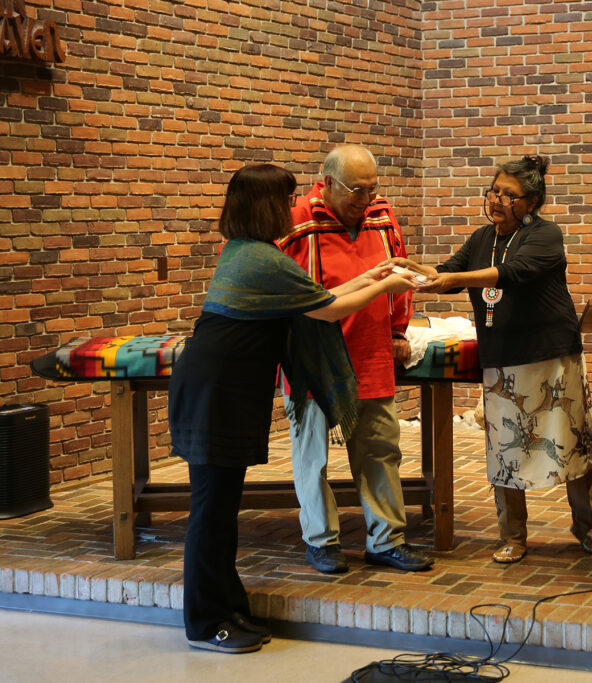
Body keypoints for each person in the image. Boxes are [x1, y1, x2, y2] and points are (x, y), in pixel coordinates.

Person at [168, 163, 416, 654]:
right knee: (211, 513)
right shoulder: (260, 259)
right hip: (216, 391)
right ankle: (205, 622)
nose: (290, 209)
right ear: (265, 207)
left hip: (225, 388)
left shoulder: (253, 253)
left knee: (221, 510)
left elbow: (316, 298)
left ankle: (229, 607)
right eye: (284, 201)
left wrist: (374, 274)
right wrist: (387, 287)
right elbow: (326, 309)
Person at [385, 155, 592, 564]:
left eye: (509, 194)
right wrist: (414, 269)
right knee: (506, 449)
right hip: (502, 358)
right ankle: (513, 536)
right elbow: (446, 272)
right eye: (495, 190)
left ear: (531, 201)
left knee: (572, 443)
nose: (497, 199)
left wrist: (455, 278)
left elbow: (512, 273)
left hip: (551, 355)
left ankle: (586, 527)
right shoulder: (484, 238)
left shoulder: (546, 235)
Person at [277, 145, 433, 574]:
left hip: (369, 352)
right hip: (313, 356)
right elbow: (274, 287)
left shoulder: (381, 217)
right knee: (312, 454)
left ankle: (386, 540)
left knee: (381, 451)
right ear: (326, 183)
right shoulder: (294, 222)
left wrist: (399, 329)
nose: (365, 201)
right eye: (355, 191)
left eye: (371, 189)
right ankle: (321, 541)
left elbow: (399, 278)